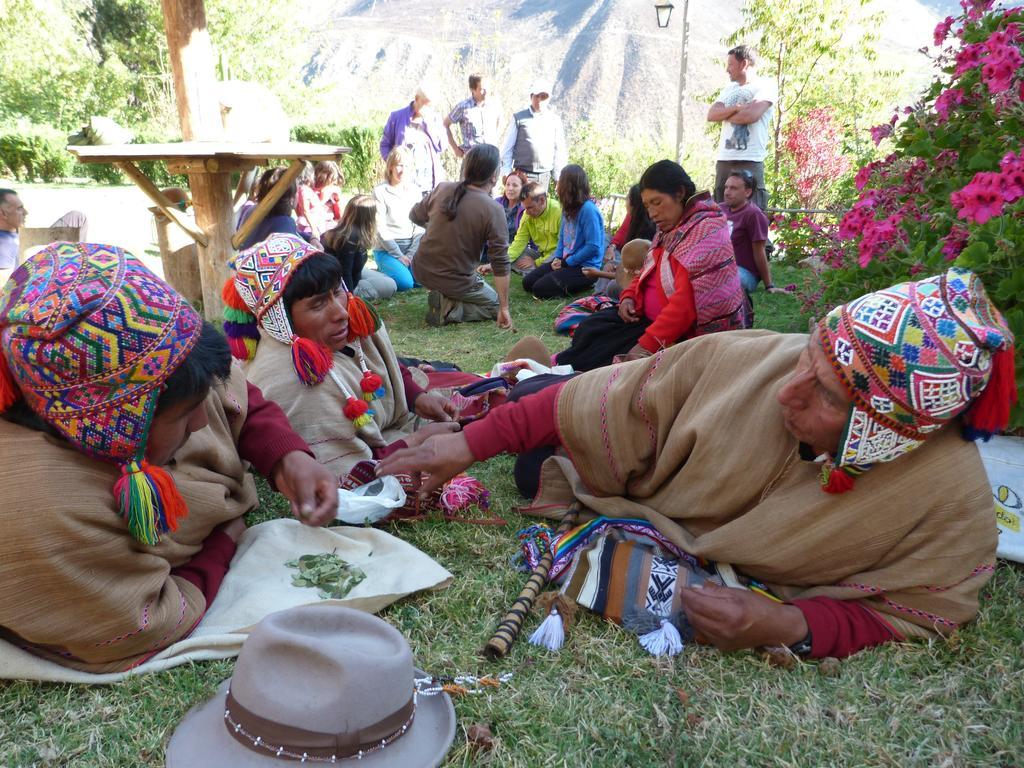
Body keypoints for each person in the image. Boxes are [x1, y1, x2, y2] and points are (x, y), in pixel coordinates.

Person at [378, 267, 1016, 660]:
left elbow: (920, 608)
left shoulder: (945, 501)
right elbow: (608, 397)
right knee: (526, 413)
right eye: (810, 360)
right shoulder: (753, 360)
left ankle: (522, 372)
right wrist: (465, 446)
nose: (786, 392)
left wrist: (792, 622)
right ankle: (516, 378)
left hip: (647, 494)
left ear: (883, 435)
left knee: (531, 450)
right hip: (632, 460)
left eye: (826, 395)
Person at [0, 242, 338, 673]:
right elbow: (142, 622)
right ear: (115, 427)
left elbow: (234, 397)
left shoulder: (161, 369)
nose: (202, 422)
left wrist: (287, 457)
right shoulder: (41, 507)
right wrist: (225, 540)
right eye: (183, 415)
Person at [225, 234, 458, 484]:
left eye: (337, 292)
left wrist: (417, 397)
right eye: (317, 305)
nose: (341, 312)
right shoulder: (293, 379)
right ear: (282, 319)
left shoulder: (345, 328)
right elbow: (349, 471)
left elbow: (377, 363)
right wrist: (419, 440)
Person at [553, 160, 745, 372]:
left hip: (679, 335)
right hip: (644, 317)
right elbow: (647, 270)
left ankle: (559, 373)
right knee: (590, 328)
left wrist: (645, 345)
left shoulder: (704, 231)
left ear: (679, 193)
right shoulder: (671, 228)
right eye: (647, 206)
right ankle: (560, 367)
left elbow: (685, 307)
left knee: (603, 352)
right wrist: (628, 296)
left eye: (657, 202)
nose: (652, 213)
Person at [410, 144, 512, 328]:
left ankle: (443, 296)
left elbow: (414, 215)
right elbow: (501, 263)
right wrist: (504, 307)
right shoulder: (493, 209)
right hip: (454, 280)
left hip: (420, 270)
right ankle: (449, 308)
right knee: (494, 305)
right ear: (494, 175)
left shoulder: (442, 188)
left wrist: (436, 228)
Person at [707, 45, 777, 210]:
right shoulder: (728, 89)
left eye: (730, 64)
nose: (727, 69)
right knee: (721, 210)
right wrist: (736, 108)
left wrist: (726, 114)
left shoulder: (765, 86)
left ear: (744, 64)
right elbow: (712, 115)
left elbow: (751, 116)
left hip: (750, 159)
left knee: (753, 211)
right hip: (725, 159)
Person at [522, 165, 603, 299]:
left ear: (569, 186)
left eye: (560, 181)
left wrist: (566, 263)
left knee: (539, 289)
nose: (557, 185)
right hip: (566, 262)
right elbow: (562, 238)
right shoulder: (567, 208)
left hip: (584, 268)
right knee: (528, 283)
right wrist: (558, 258)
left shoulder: (588, 210)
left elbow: (593, 246)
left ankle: (586, 284)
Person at [321, 195, 398, 302]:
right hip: (338, 284)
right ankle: (355, 296)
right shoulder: (350, 238)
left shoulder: (350, 231)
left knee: (386, 280)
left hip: (354, 274)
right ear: (368, 217)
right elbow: (345, 273)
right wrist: (351, 299)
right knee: (391, 285)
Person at [0, 188, 88, 277]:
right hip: (39, 271)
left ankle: (82, 262)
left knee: (77, 216)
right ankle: (82, 267)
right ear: (3, 214)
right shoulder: (4, 246)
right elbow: (5, 287)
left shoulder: (10, 232)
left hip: (33, 245)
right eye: (19, 208)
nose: (26, 212)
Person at [373, 148, 425, 292]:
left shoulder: (415, 191)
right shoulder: (380, 191)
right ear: (390, 166)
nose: (403, 170)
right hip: (387, 250)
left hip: (411, 249)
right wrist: (399, 255)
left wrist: (410, 254)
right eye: (399, 165)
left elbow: (420, 226)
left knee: (425, 280)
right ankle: (382, 271)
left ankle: (400, 270)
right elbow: (380, 228)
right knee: (406, 283)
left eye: (407, 166)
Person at [500, 81, 567, 187]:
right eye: (537, 96)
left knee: (539, 203)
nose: (540, 100)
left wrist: (558, 177)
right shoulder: (519, 118)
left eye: (544, 96)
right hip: (521, 174)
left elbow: (559, 151)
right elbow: (508, 148)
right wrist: (506, 173)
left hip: (544, 176)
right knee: (520, 203)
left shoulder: (554, 120)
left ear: (548, 98)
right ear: (531, 96)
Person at [380, 85, 446, 194]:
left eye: (431, 106)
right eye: (426, 105)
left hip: (429, 184)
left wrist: (429, 124)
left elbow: (442, 146)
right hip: (404, 183)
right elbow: (385, 145)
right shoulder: (397, 117)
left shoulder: (435, 118)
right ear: (416, 98)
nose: (429, 109)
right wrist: (394, 165)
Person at [497, 180, 562, 276]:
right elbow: (519, 242)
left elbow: (563, 248)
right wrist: (497, 264)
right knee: (508, 250)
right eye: (525, 208)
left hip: (558, 257)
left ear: (542, 200)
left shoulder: (559, 212)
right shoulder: (526, 215)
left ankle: (538, 273)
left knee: (557, 262)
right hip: (541, 256)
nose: (526, 212)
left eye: (530, 207)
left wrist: (537, 262)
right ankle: (540, 273)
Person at [237, 169, 305, 250]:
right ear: (291, 198)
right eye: (297, 192)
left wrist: (312, 238)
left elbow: (297, 234)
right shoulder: (285, 222)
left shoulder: (251, 211)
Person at [444, 73, 503, 158]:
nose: (485, 92)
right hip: (472, 158)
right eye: (482, 89)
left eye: (487, 88)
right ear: (472, 89)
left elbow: (499, 119)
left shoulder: (494, 105)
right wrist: (455, 149)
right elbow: (444, 125)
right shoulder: (463, 107)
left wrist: (495, 138)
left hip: (491, 158)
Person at [584, 237, 650, 299]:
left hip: (640, 272)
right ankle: (599, 294)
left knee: (612, 286)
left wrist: (599, 273)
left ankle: (601, 296)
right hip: (636, 267)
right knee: (611, 263)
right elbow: (618, 237)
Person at [495, 170, 527, 246]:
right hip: (493, 246)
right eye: (507, 184)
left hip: (515, 248)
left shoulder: (526, 208)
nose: (510, 188)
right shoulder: (496, 203)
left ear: (523, 188)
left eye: (515, 185)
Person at [313, 160, 345, 225]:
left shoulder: (333, 191)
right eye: (332, 178)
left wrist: (337, 201)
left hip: (329, 224)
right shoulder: (309, 190)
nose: (334, 182)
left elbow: (339, 216)